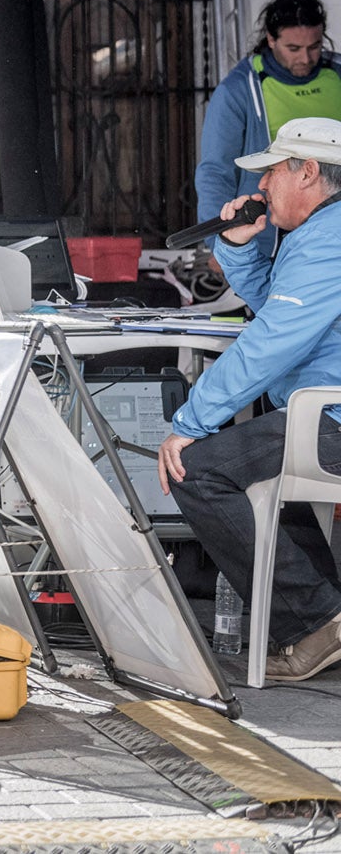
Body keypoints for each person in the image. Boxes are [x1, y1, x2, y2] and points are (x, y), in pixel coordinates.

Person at [159, 117, 341, 683]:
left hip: (332, 417)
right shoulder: (320, 234)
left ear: (307, 171)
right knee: (272, 479)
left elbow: (271, 342)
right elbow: (280, 306)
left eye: (270, 174)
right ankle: (324, 617)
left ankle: (317, 622)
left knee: (196, 471)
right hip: (321, 412)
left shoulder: (328, 240)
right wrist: (237, 245)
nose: (260, 188)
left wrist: (192, 420)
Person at [197, 0, 341, 258]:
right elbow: (216, 171)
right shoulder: (239, 90)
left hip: (334, 230)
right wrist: (220, 245)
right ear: (271, 40)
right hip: (273, 236)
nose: (306, 59)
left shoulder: (337, 74)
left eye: (315, 46)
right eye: (294, 49)